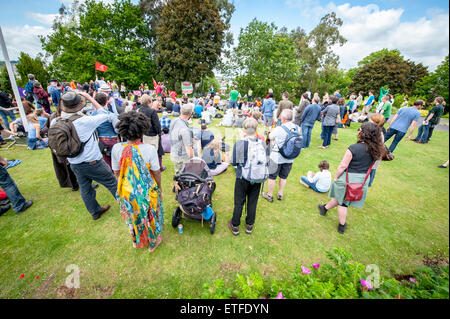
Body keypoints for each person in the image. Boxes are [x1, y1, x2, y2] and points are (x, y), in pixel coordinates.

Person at [54, 91, 119, 220]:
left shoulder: (56, 121)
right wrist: (90, 97)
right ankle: (128, 208)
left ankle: (95, 212)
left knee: (85, 188)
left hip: (74, 162)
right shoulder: (86, 121)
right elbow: (105, 113)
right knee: (112, 183)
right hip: (92, 162)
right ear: (80, 105)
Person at [318, 122, 384, 234]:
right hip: (363, 179)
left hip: (348, 179)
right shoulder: (378, 149)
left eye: (360, 129)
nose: (358, 131)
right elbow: (375, 166)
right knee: (342, 197)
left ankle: (342, 225)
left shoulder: (354, 148)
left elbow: (343, 165)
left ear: (364, 133)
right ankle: (324, 208)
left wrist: (336, 176)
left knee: (343, 203)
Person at [111, 111, 163, 252]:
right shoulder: (149, 149)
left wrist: (123, 187)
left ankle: (135, 240)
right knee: (151, 216)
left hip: (126, 191)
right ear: (143, 130)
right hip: (146, 191)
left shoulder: (116, 148)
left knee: (132, 217)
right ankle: (154, 241)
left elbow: (116, 172)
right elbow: (156, 172)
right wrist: (159, 188)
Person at [228, 118, 267, 236]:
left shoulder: (241, 142)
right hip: (258, 175)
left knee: (239, 201)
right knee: (252, 201)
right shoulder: (262, 143)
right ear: (256, 129)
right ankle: (249, 224)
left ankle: (235, 225)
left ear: (244, 129)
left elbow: (234, 162)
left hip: (242, 176)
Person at [262, 109, 299, 202]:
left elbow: (270, 137)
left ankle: (269, 194)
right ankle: (280, 193)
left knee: (272, 177)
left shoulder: (279, 129)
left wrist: (274, 140)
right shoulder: (298, 128)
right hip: (290, 157)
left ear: (283, 118)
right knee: (283, 177)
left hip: (277, 157)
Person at [90, 93, 120, 168]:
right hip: (112, 140)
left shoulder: (92, 115)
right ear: (106, 101)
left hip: (100, 142)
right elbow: (118, 130)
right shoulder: (111, 115)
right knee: (115, 163)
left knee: (106, 163)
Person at [138, 94, 165, 172]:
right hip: (152, 134)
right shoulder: (152, 111)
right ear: (149, 101)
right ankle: (159, 167)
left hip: (143, 134)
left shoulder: (139, 110)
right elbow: (156, 124)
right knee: (158, 151)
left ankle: (147, 165)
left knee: (145, 151)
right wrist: (159, 132)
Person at [169, 103, 194, 175]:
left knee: (178, 173)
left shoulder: (174, 120)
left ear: (180, 111)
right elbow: (188, 149)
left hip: (174, 151)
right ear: (190, 114)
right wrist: (193, 160)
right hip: (182, 157)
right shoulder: (185, 129)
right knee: (184, 177)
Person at [367, 114, 386, 187]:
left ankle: (368, 183)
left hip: (374, 155)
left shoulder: (378, 134)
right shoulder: (374, 131)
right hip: (373, 155)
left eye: (370, 121)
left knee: (372, 169)